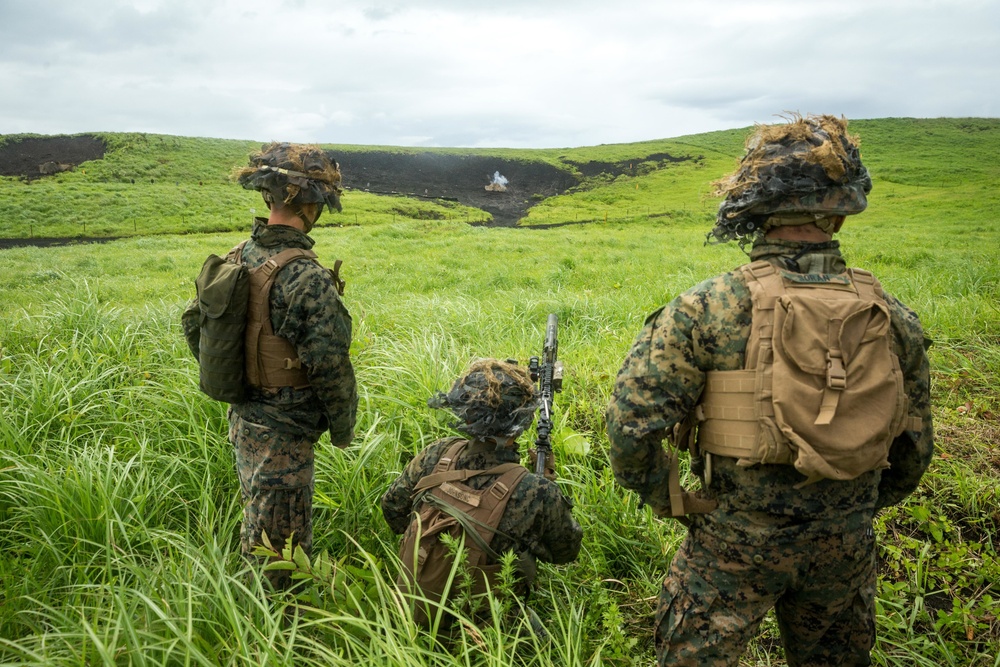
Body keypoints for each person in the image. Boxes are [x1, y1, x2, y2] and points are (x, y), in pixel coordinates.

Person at [605, 115, 933, 666]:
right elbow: (914, 446)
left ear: (755, 209)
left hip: (735, 539)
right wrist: (854, 509)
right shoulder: (891, 316)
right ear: (839, 211)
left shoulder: (707, 306)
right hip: (844, 542)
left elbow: (631, 427)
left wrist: (680, 504)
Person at [182, 142, 358, 591]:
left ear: (270, 197)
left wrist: (246, 378)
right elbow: (330, 365)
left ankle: (253, 604)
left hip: (243, 420)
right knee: (281, 552)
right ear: (312, 204)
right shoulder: (306, 277)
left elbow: (194, 327)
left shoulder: (238, 255)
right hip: (284, 432)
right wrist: (343, 429)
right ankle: (276, 631)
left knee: (258, 517)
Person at [381, 358, 582, 627]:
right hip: (482, 630)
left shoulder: (438, 453)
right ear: (521, 421)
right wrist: (544, 486)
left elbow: (392, 510)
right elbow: (566, 552)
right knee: (536, 631)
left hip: (412, 611)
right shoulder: (536, 490)